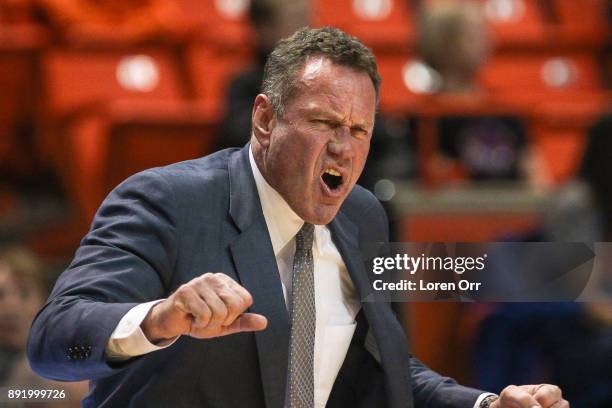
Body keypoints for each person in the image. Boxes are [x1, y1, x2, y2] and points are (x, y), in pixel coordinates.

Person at [27, 27, 568, 408]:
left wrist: (484, 404)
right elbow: (53, 341)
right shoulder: (166, 201)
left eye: (359, 131)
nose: (343, 148)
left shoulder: (363, 215)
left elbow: (386, 372)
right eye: (324, 122)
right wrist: (156, 319)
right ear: (264, 119)